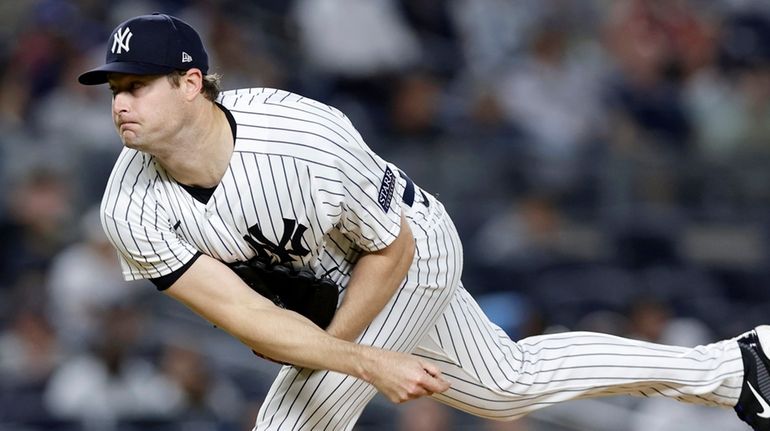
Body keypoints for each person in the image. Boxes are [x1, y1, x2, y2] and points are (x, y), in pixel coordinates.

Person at [77, 13, 770, 431]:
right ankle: (735, 368)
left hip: (407, 250)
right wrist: (354, 354)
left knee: (293, 420)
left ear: (191, 83)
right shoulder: (129, 206)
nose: (120, 103)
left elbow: (393, 250)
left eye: (136, 85)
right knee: (507, 386)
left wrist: (354, 354)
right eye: (114, 89)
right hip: (324, 291)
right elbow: (249, 319)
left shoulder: (304, 136)